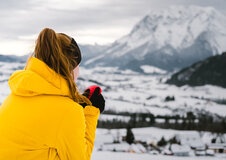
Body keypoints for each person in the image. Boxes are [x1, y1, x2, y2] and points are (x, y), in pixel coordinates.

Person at [0, 28, 105, 160]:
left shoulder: (16, 95)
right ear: (70, 67)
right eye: (78, 65)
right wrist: (90, 113)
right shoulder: (68, 112)